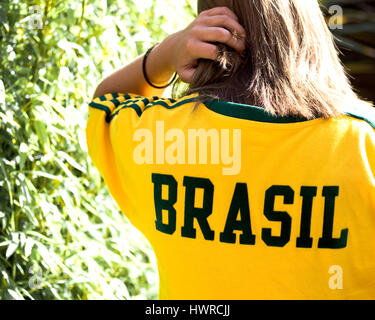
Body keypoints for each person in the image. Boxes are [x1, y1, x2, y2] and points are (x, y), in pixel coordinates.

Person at [86, 0, 375, 299]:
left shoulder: (162, 138)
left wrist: (168, 52)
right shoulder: (362, 143)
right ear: (308, 27)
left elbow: (106, 102)